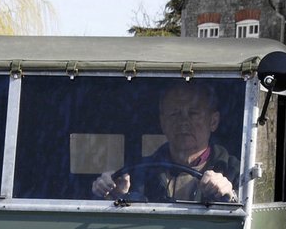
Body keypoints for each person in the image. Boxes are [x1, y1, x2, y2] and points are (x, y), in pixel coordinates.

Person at [92, 80, 239, 203]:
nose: (183, 122)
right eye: (174, 114)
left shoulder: (235, 170)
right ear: (163, 122)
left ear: (213, 122)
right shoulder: (140, 172)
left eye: (193, 113)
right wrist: (114, 194)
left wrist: (229, 195)